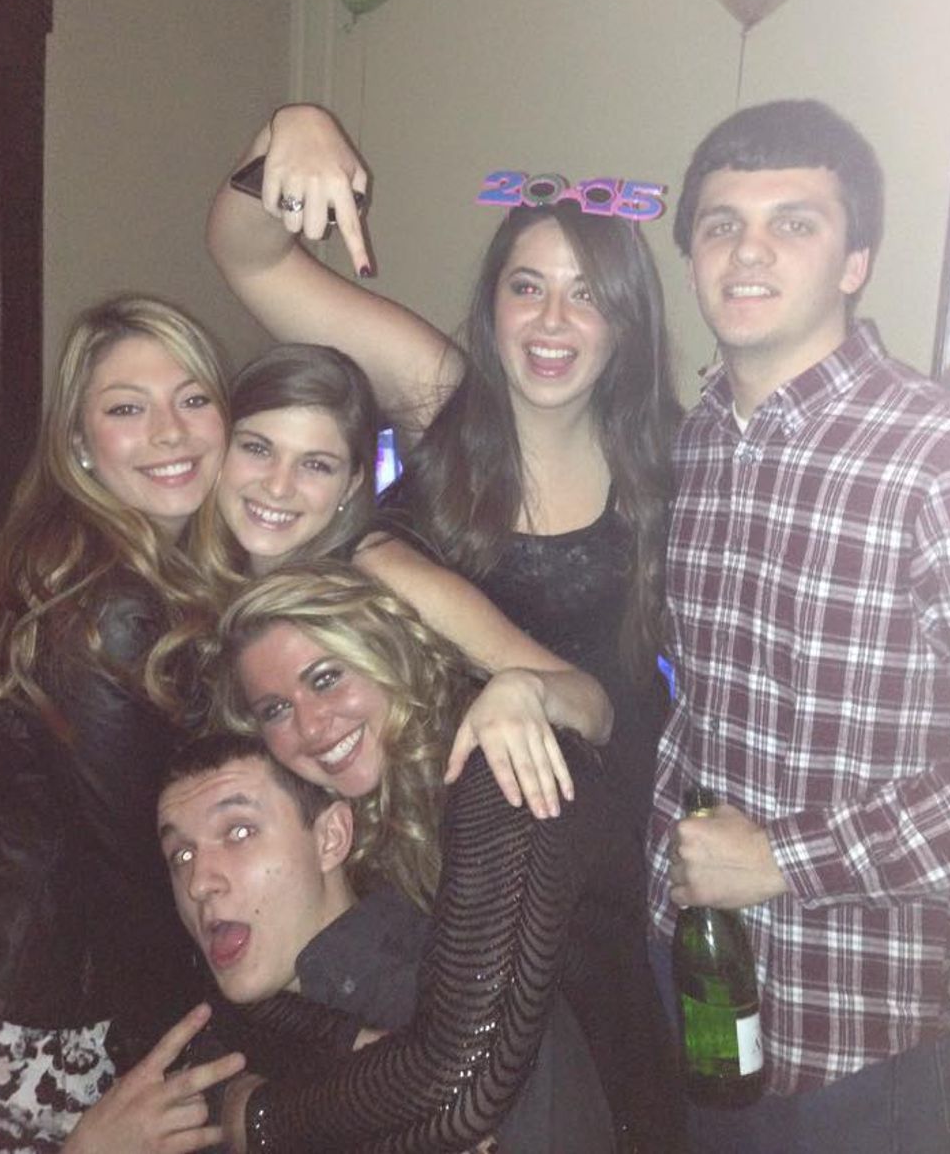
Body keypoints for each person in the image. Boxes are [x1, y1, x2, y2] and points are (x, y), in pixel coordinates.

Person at [206, 106, 683, 1151]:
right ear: (491, 303)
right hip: (443, 816)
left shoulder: (664, 465)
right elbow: (250, 256)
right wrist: (288, 133)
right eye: (526, 285)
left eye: (586, 294)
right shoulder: (441, 401)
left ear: (626, 323)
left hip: (600, 828)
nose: (552, 320)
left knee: (592, 1085)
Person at [647, 98, 950, 1153]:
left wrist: (787, 858)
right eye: (721, 223)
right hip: (692, 968)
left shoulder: (934, 458)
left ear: (854, 260)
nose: (748, 250)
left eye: (794, 222)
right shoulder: (692, 445)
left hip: (860, 1028)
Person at [199, 563, 621, 1152]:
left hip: (620, 1111)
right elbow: (256, 989)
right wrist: (345, 1037)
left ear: (386, 651)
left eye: (326, 678)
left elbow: (468, 1085)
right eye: (275, 709)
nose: (312, 727)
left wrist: (256, 1121)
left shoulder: (498, 773)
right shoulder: (353, 810)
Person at [0, 295, 228, 1150]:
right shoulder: (107, 607)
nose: (170, 431)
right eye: (127, 407)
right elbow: (136, 871)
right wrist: (189, 1052)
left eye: (193, 398)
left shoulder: (110, 566)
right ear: (78, 442)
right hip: (55, 1025)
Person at [192, 341, 614, 817]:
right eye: (257, 448)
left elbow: (594, 705)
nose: (277, 485)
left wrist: (523, 689)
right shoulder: (193, 582)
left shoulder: (381, 570)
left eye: (316, 464)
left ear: (352, 484)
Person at [148, 729, 613, 1154]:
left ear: (330, 838)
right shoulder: (205, 1057)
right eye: (181, 855)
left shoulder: (468, 994)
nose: (198, 883)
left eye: (239, 832)